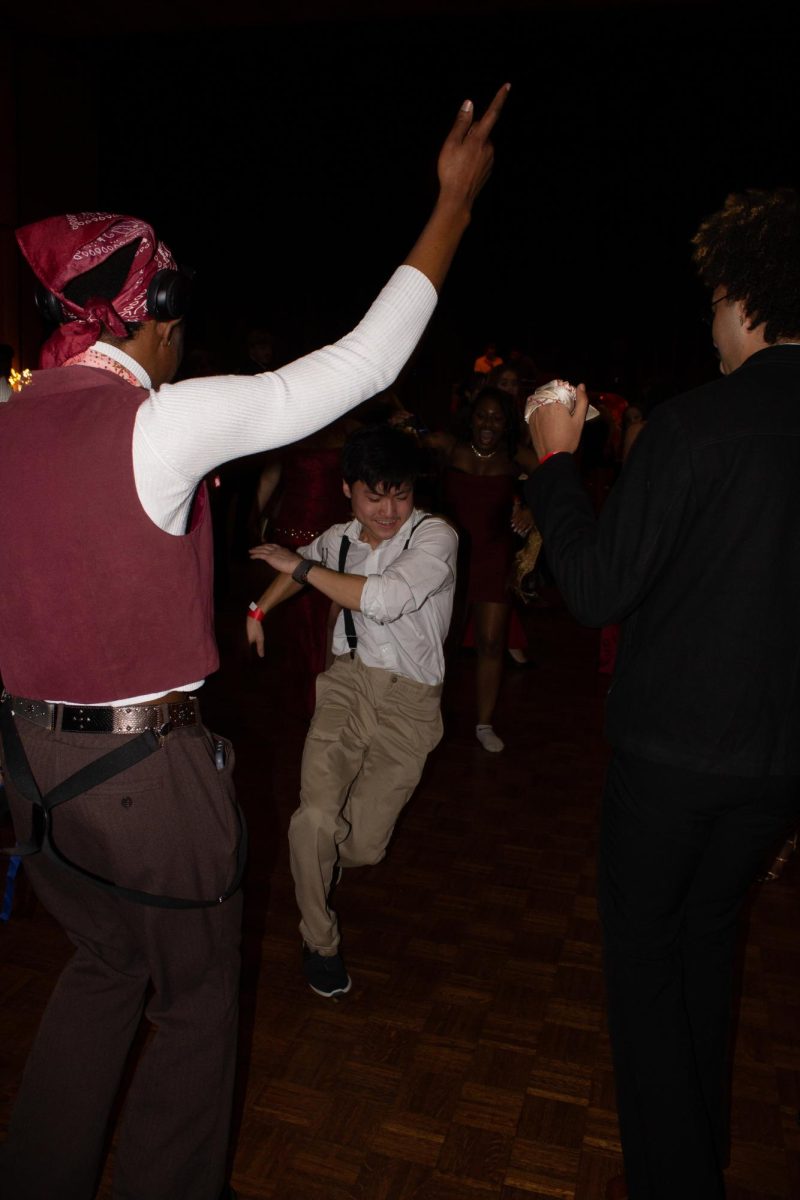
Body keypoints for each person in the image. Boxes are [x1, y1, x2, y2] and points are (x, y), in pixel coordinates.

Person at [0, 84, 509, 1200]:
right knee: (192, 1007)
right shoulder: (154, 420)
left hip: (32, 774)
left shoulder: (12, 423)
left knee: (100, 967)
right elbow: (360, 365)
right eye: (177, 314)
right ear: (152, 312)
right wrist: (453, 206)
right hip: (143, 777)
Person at [524, 188, 800, 1200]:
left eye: (715, 298)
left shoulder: (692, 429)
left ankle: (677, 1179)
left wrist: (557, 461)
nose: (710, 320)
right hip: (775, 769)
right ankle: (703, 1148)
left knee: (642, 965)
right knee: (706, 946)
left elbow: (594, 588)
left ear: (745, 297)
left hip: (671, 763)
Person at [246, 423, 457, 997]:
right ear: (347, 489)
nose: (389, 509)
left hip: (411, 705)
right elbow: (297, 568)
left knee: (363, 846)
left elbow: (382, 598)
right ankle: (320, 941)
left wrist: (299, 569)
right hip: (346, 686)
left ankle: (312, 862)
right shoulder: (337, 539)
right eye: (374, 494)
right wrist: (261, 610)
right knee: (314, 818)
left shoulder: (435, 538)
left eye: (401, 493)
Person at [435, 386, 537, 751]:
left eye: (496, 417)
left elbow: (557, 480)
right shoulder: (450, 447)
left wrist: (531, 508)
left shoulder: (516, 456)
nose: (488, 424)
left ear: (506, 423)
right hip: (449, 559)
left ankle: (484, 724)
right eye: (482, 415)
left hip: (495, 557)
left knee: (491, 642)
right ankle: (427, 717)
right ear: (471, 417)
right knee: (440, 643)